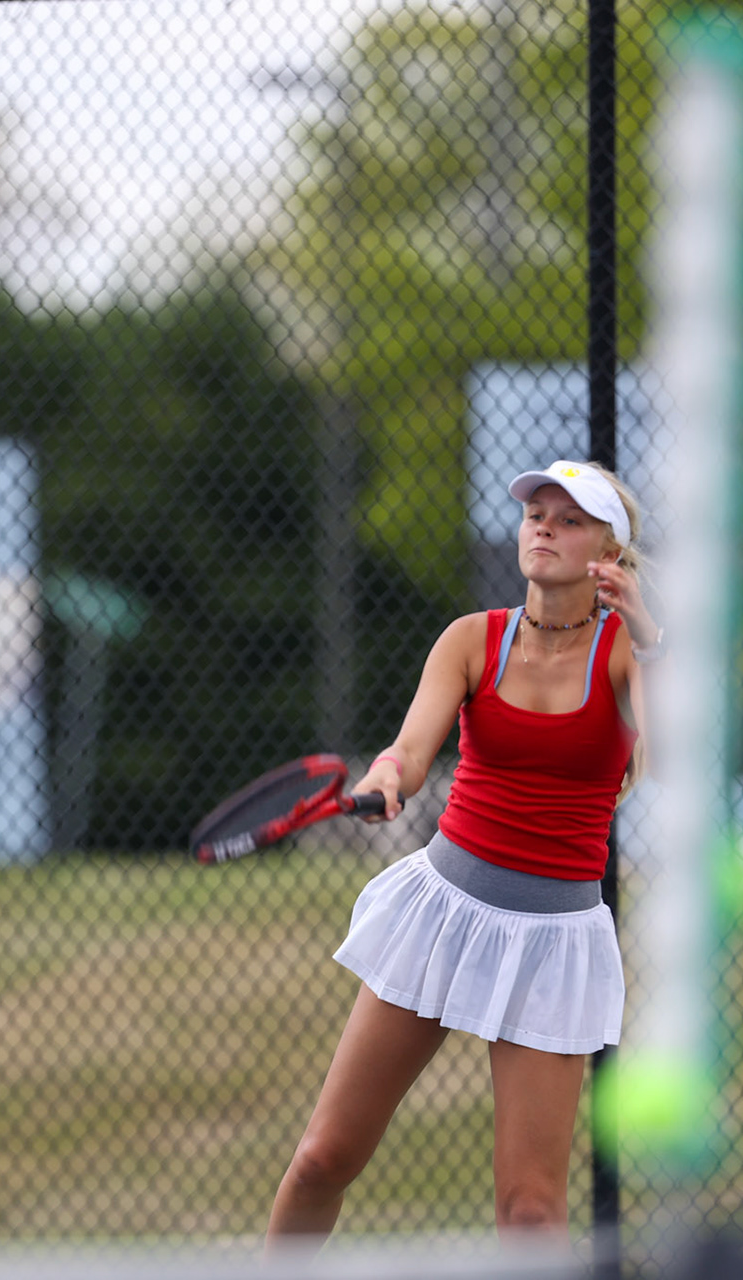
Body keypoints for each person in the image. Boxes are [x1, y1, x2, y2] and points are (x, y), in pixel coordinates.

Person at [263, 459, 661, 1252]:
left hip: (555, 942)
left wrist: (649, 631)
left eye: (569, 518)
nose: (542, 525)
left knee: (531, 1215)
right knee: (322, 1160)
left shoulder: (627, 655)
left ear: (608, 554)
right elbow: (409, 753)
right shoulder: (471, 639)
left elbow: (680, 749)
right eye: (534, 513)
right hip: (443, 914)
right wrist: (385, 779)